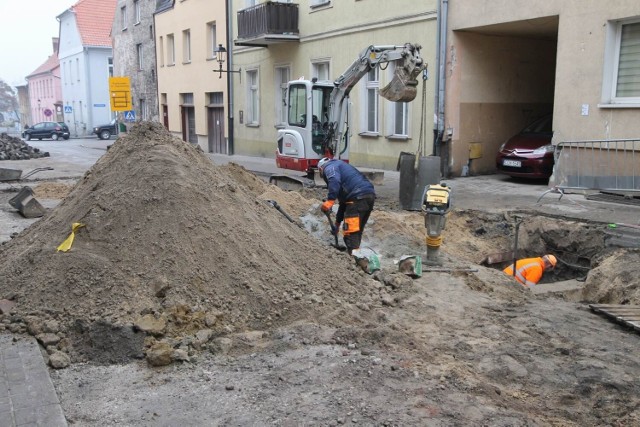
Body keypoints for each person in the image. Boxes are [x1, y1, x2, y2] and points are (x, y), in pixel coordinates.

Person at [318, 157, 376, 255]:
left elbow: (334, 180)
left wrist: (330, 201)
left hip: (357, 198)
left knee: (350, 233)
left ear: (320, 169)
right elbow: (343, 204)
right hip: (369, 196)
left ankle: (355, 260)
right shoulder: (341, 168)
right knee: (357, 231)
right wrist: (337, 224)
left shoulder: (329, 167)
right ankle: (358, 257)